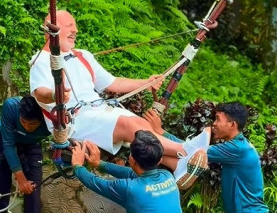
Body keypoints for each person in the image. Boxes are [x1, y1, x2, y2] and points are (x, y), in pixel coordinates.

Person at [29, 10, 209, 189]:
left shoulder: (82, 55)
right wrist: (55, 94)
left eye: (75, 25)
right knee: (129, 125)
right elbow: (39, 92)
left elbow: (113, 83)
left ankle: (177, 166)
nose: (75, 29)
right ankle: (185, 150)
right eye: (69, 26)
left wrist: (146, 82)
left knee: (139, 124)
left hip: (98, 110)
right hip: (73, 121)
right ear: (52, 30)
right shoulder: (42, 61)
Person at [143, 102, 269, 213]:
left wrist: (159, 131)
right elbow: (189, 153)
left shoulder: (237, 149)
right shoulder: (239, 146)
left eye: (218, 119)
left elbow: (187, 150)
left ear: (232, 124)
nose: (214, 124)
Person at [72, 130, 182, 213]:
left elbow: (97, 183)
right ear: (159, 160)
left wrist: (77, 166)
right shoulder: (167, 176)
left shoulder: (130, 188)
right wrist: (99, 163)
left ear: (132, 159)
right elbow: (131, 174)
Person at [0, 95, 50, 213]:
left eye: (32, 124)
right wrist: (21, 180)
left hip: (32, 145)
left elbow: (64, 139)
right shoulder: (11, 106)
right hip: (6, 140)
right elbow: (8, 145)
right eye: (23, 122)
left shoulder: (52, 119)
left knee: (32, 192)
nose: (26, 127)